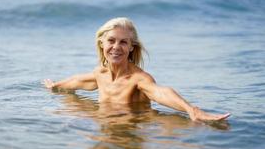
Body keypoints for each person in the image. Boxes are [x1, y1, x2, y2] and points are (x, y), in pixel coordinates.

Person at [43, 17, 230, 121]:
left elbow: (161, 93)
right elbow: (77, 81)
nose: (116, 47)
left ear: (132, 47)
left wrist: (191, 110)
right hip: (106, 124)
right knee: (68, 108)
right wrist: (56, 86)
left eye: (123, 42)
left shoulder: (138, 79)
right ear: (101, 43)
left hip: (132, 127)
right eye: (111, 41)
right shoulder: (99, 73)